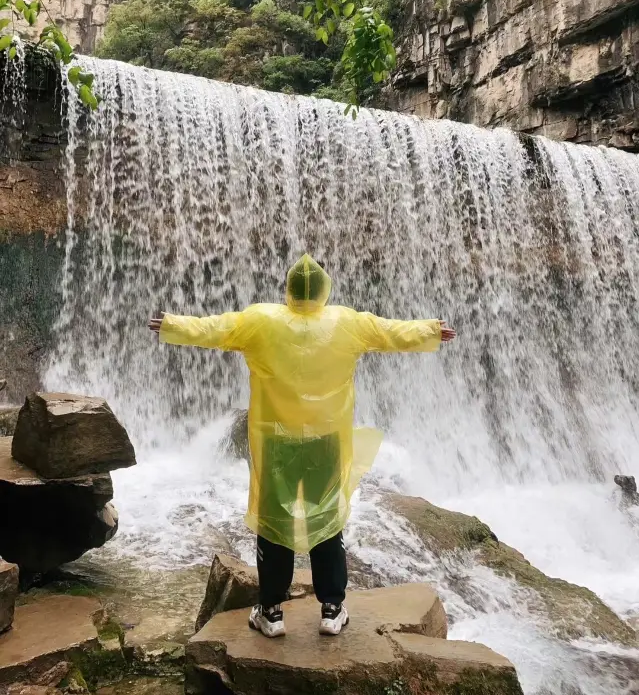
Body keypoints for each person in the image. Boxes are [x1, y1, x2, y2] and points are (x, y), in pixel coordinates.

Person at [149, 255, 456, 638]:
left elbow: (214, 328)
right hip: (325, 442)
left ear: (288, 291)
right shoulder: (348, 323)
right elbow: (391, 333)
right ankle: (332, 610)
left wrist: (173, 325)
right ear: (325, 290)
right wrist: (430, 331)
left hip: (277, 441)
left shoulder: (261, 320)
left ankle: (272, 612)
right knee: (326, 520)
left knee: (274, 526)